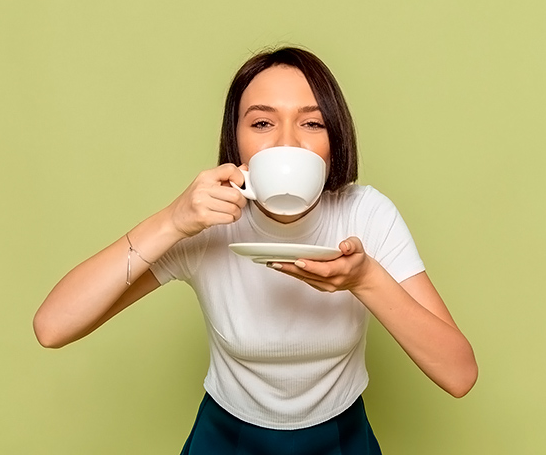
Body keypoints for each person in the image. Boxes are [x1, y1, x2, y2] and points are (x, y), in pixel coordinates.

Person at [34, 46, 478, 454]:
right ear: (237, 141)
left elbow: (459, 375)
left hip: (340, 438)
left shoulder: (366, 213)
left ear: (334, 140)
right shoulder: (204, 225)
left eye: (312, 122)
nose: (287, 142)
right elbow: (53, 327)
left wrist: (366, 280)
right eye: (263, 122)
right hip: (227, 438)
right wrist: (171, 222)